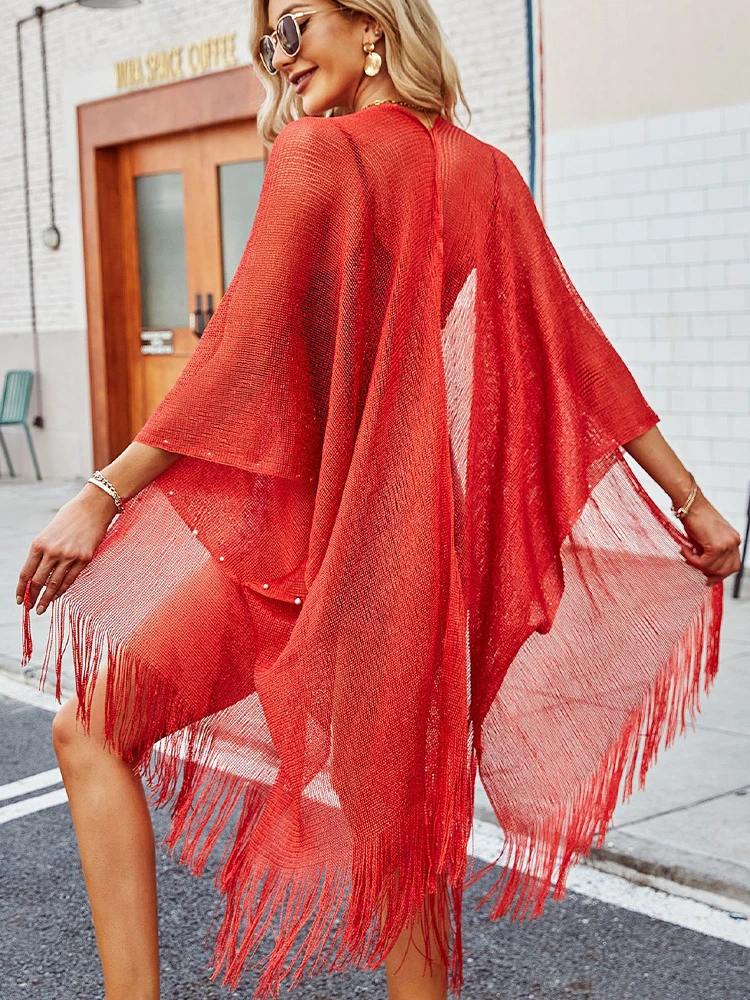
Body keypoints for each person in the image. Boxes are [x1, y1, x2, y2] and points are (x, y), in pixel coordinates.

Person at [16, 2, 742, 1000]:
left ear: (372, 27)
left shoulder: (320, 155)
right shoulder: (485, 172)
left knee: (92, 729)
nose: (280, 54)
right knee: (403, 844)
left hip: (297, 551)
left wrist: (101, 493)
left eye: (297, 24)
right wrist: (693, 502)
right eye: (270, 37)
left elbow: (239, 352)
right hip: (404, 567)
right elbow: (579, 353)